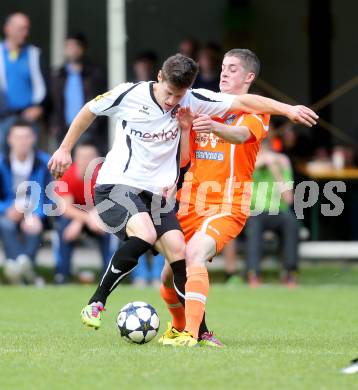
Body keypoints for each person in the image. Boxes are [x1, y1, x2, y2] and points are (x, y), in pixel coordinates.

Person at [48, 53, 317, 333]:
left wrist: (288, 109)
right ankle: (97, 301)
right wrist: (64, 148)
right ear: (159, 77)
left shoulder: (200, 102)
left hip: (185, 197)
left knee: (180, 255)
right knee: (151, 237)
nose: (172, 102)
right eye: (169, 94)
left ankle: (195, 332)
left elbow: (245, 109)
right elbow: (90, 109)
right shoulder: (130, 93)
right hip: (119, 184)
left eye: (179, 96)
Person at [159, 49, 316, 347]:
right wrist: (184, 130)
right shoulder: (203, 103)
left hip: (227, 204)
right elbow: (185, 158)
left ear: (249, 77)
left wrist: (213, 125)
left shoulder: (256, 111)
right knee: (169, 277)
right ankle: (181, 328)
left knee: (194, 256)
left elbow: (241, 136)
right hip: (191, 202)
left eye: (232, 68)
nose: (224, 73)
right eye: (222, 67)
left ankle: (191, 334)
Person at [53, 142, 116, 284]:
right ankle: (61, 275)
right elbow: (66, 207)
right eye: (82, 157)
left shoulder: (106, 174)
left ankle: (109, 278)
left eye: (90, 157)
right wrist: (84, 220)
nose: (86, 161)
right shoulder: (67, 174)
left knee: (110, 227)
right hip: (78, 217)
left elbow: (109, 203)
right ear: (75, 158)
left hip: (100, 215)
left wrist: (93, 218)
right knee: (64, 228)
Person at [0, 119, 51, 284]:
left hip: (35, 211)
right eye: (18, 137)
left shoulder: (45, 163)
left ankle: (16, 269)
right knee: (6, 224)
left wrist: (35, 214)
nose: (22, 142)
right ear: (9, 139)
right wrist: (7, 209)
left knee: (33, 225)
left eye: (26, 137)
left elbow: (50, 196)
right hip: (9, 212)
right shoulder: (1, 163)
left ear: (33, 139)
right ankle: (23, 270)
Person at [244, 139, 298, 287]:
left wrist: (275, 170)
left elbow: (288, 199)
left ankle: (290, 272)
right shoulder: (248, 164)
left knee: (291, 222)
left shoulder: (281, 166)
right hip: (255, 211)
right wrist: (258, 164)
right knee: (254, 224)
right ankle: (253, 273)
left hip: (279, 210)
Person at [49, 33, 107, 153]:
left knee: (88, 167)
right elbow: (52, 103)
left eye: (75, 46)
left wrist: (97, 124)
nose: (72, 50)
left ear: (83, 49)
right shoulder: (58, 75)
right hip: (63, 129)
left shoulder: (95, 74)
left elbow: (104, 99)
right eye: (68, 46)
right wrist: (53, 124)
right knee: (65, 167)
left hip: (89, 128)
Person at [0, 12, 46, 154]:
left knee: (31, 157)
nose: (25, 33)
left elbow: (46, 85)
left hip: (28, 117)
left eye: (27, 29)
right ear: (7, 29)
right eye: (21, 29)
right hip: (3, 118)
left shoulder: (34, 54)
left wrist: (40, 107)